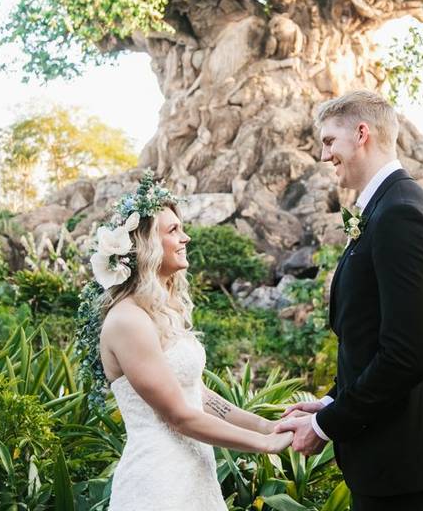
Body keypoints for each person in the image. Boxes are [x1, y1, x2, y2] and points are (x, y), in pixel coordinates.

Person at [275, 91, 423, 511]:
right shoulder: (385, 206)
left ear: (362, 134)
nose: (324, 156)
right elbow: (371, 336)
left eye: (328, 141)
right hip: (383, 456)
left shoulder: (400, 213)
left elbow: (407, 355)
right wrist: (331, 400)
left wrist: (325, 426)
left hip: (396, 459)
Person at [81, 172, 292, 511]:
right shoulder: (127, 320)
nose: (186, 237)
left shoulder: (162, 311)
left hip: (193, 477)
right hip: (157, 486)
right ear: (147, 245)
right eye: (173, 231)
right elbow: (179, 415)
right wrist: (264, 445)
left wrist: (267, 425)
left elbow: (196, 395)